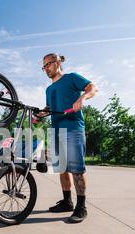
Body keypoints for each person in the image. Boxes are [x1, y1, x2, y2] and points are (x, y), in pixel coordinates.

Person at [42, 53, 98, 223]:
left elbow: (92, 87)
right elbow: (49, 108)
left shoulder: (71, 78)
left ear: (58, 62)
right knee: (62, 169)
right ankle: (67, 202)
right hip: (56, 130)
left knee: (77, 170)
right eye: (43, 66)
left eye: (48, 64)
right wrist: (41, 114)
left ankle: (81, 206)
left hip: (74, 129)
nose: (46, 68)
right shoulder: (49, 89)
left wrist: (82, 98)